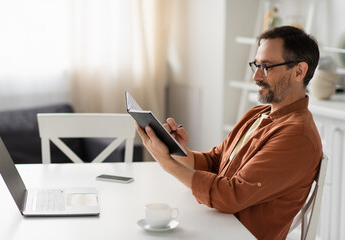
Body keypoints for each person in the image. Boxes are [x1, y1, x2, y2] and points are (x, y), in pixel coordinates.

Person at [136, 25, 322, 240]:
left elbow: (231, 196)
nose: (256, 77)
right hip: (217, 226)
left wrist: (167, 164)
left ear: (299, 71)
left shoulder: (296, 136)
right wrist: (178, 150)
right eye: (256, 65)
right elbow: (216, 162)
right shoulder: (258, 114)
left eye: (267, 67)